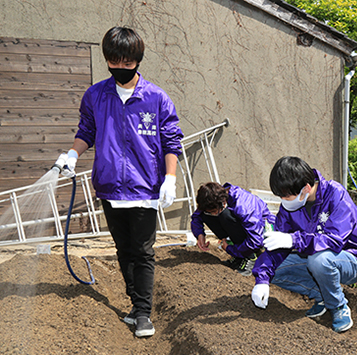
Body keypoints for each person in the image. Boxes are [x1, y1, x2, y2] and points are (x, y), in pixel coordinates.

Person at [55, 27, 183, 338]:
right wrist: (72, 154)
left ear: (138, 61)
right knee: (123, 249)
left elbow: (171, 142)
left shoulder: (156, 98)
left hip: (144, 189)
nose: (121, 69)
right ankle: (135, 303)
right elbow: (87, 130)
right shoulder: (96, 95)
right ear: (107, 60)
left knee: (142, 251)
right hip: (110, 187)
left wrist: (170, 178)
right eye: (115, 63)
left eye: (128, 64)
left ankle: (142, 313)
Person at [250, 156, 357, 333]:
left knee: (319, 260)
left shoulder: (336, 195)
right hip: (314, 257)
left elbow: (334, 240)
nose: (283, 201)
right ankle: (321, 295)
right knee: (273, 270)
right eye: (281, 197)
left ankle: (338, 306)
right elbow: (276, 246)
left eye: (286, 196)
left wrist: (293, 239)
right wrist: (262, 279)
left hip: (353, 259)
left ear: (306, 188)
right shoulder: (290, 207)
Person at [190, 182, 276, 276]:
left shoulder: (244, 206)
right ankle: (239, 254)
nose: (213, 215)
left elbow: (256, 241)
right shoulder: (215, 198)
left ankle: (249, 256)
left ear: (223, 202)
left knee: (225, 215)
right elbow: (197, 216)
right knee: (205, 215)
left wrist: (231, 249)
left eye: (214, 211)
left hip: (263, 232)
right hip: (247, 232)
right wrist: (200, 235)